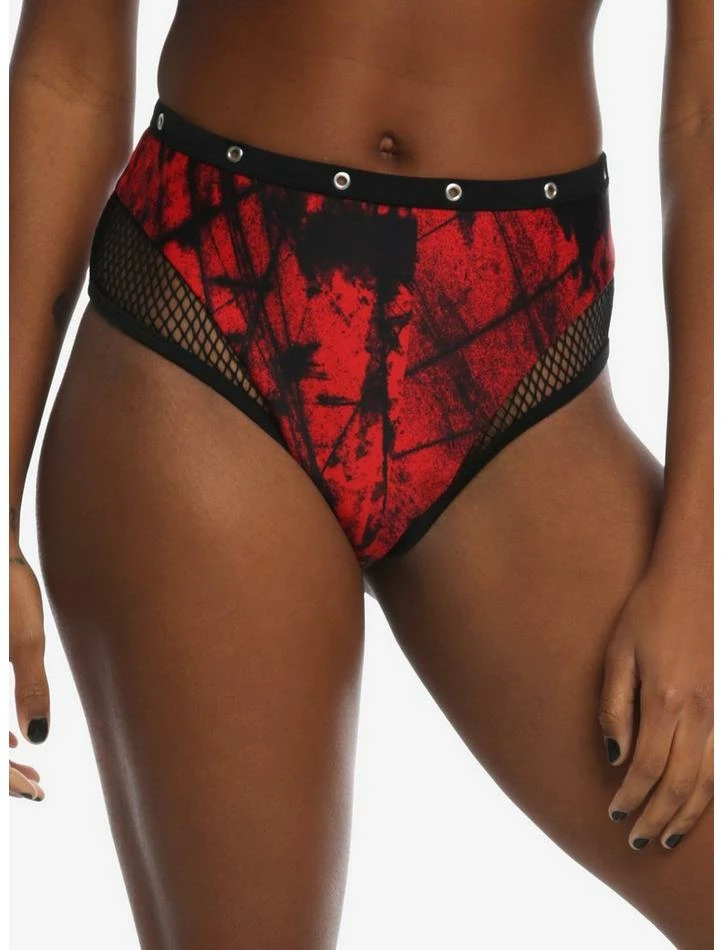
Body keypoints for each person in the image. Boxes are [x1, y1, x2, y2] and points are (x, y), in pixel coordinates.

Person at [9, 1, 712, 947]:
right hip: (205, 307)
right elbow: (70, 67)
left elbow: (705, 117)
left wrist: (698, 564)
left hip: (516, 338)